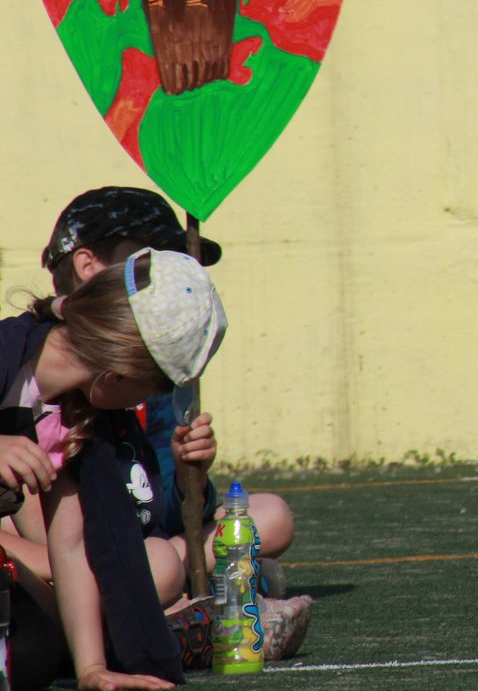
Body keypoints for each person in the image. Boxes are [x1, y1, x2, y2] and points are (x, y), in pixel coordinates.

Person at [35, 187, 297, 594]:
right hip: (63, 552)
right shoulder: (38, 363)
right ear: (88, 265)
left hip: (145, 538)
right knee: (158, 562)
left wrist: (189, 474)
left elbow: (167, 514)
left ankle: (176, 576)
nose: (173, 281)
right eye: (152, 264)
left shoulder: (152, 375)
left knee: (271, 516)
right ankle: (202, 578)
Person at [0, 247, 226, 691]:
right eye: (155, 386)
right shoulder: (7, 352)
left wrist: (91, 667)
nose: (150, 400)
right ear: (117, 375)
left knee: (29, 657)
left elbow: (73, 542)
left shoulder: (69, 416)